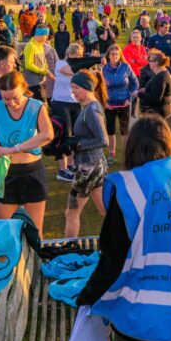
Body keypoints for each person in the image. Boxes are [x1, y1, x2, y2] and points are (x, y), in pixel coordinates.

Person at [76, 115, 171, 341]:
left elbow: (112, 256)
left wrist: (88, 296)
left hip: (137, 314)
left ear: (133, 146)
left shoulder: (128, 187)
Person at [0, 71, 53, 234]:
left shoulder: (36, 106)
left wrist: (14, 149)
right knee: (6, 231)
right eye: (6, 99)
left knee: (35, 230)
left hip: (32, 172)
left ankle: (36, 260)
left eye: (15, 98)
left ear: (23, 88)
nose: (11, 103)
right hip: (6, 173)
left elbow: (48, 135)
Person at [63, 70, 110, 237]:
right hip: (95, 165)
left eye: (76, 88)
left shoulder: (91, 110)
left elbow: (104, 140)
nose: (73, 91)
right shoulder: (90, 106)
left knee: (71, 212)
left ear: (87, 87)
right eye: (72, 87)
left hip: (88, 168)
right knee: (105, 210)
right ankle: (126, 239)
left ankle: (68, 250)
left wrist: (78, 144)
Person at [50, 43, 82, 180]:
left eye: (81, 56)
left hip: (75, 103)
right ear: (70, 54)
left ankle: (71, 165)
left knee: (74, 135)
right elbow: (72, 71)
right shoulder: (60, 63)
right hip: (60, 103)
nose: (79, 58)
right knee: (63, 136)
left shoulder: (79, 67)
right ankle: (61, 170)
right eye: (77, 55)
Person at [102, 45, 138, 163]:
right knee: (110, 131)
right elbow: (99, 88)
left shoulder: (126, 67)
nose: (115, 56)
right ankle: (111, 154)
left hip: (125, 104)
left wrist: (129, 98)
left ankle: (126, 155)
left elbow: (135, 84)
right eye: (112, 54)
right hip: (109, 105)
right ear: (108, 55)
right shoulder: (103, 69)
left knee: (125, 131)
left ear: (120, 55)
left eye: (117, 54)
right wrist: (105, 102)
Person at [138, 51, 171, 118]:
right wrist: (146, 90)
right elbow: (159, 91)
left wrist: (139, 94)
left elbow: (155, 99)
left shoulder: (160, 77)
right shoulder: (165, 73)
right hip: (164, 110)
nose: (148, 62)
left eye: (150, 61)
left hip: (158, 114)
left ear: (156, 63)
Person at [23, 25, 53, 101]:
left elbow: (43, 60)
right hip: (33, 83)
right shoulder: (30, 46)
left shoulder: (40, 45)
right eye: (46, 36)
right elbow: (28, 65)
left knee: (43, 104)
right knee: (41, 105)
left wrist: (48, 71)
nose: (47, 38)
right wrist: (43, 71)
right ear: (41, 35)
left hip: (41, 81)